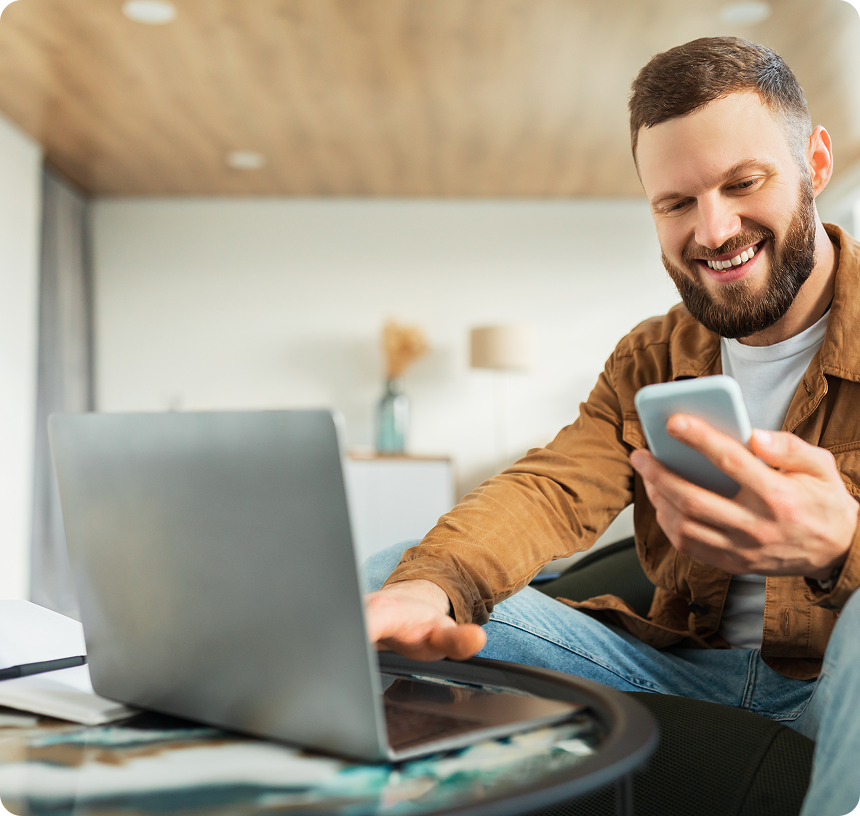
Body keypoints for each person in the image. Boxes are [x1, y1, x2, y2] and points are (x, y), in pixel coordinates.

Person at [363, 36, 860, 816]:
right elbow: (553, 488)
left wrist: (841, 547)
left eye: (744, 183)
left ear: (816, 163)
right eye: (676, 203)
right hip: (681, 666)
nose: (714, 230)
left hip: (837, 682)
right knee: (397, 581)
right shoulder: (655, 354)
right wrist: (433, 587)